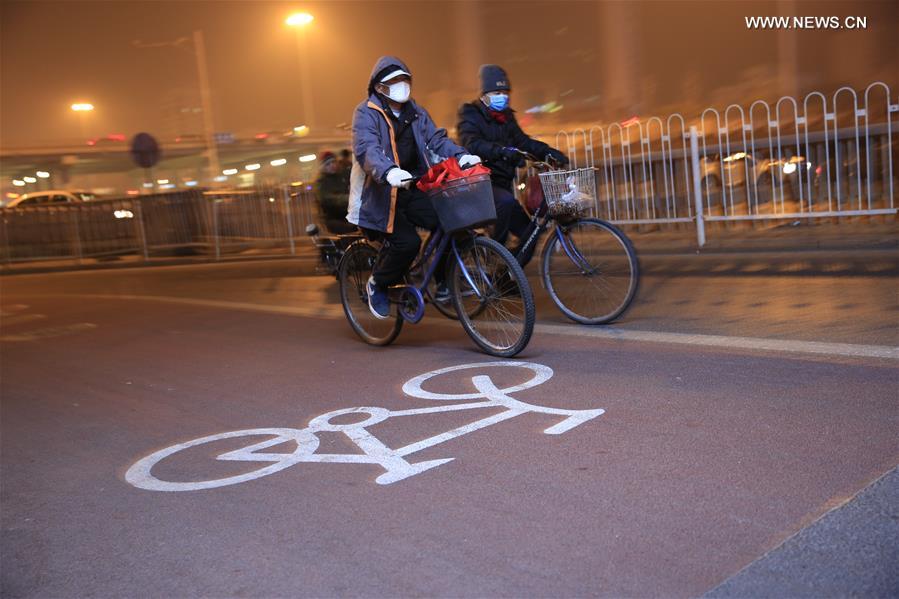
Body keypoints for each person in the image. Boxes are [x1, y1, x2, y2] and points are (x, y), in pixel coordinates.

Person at [348, 56, 482, 319]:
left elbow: (436, 139)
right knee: (407, 243)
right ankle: (378, 283)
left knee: (452, 221)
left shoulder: (417, 112)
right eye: (394, 81)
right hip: (381, 194)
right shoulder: (365, 113)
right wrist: (388, 172)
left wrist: (460, 155)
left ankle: (445, 282)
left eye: (404, 79)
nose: (401, 85)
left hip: (414, 187)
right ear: (378, 87)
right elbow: (367, 149)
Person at [457, 64, 569, 258]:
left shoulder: (506, 117)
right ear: (484, 94)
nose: (502, 96)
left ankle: (507, 276)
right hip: (479, 184)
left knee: (532, 231)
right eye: (497, 92)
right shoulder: (470, 113)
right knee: (507, 203)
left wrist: (548, 152)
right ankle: (495, 254)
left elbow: (522, 141)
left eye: (505, 92)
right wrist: (502, 152)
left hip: (502, 183)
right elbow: (471, 143)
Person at [315, 151, 354, 234]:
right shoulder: (322, 182)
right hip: (333, 217)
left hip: (347, 213)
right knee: (348, 228)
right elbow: (327, 198)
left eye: (333, 162)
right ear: (323, 166)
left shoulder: (342, 175)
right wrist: (347, 198)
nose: (332, 165)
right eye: (328, 164)